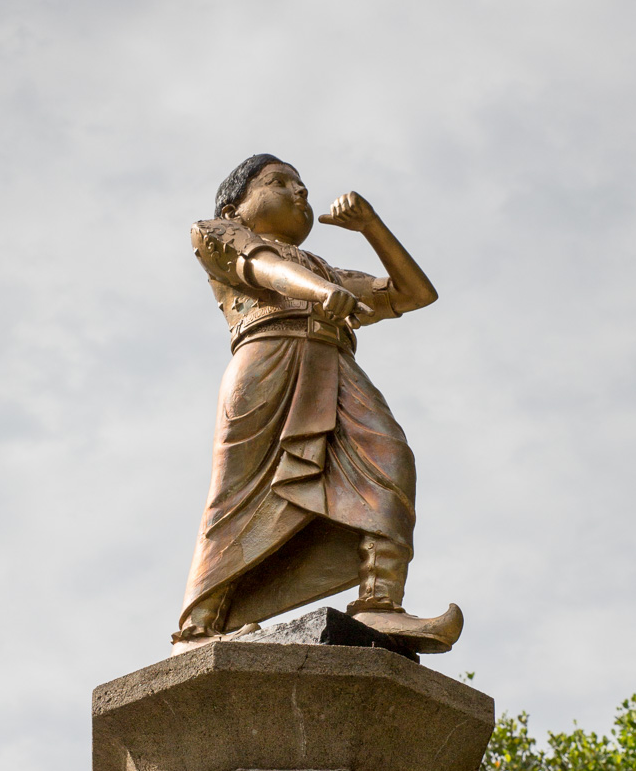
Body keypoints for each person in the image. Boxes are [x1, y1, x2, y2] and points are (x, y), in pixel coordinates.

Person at [173, 154, 460, 650]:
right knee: (238, 495)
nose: (298, 192)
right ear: (234, 206)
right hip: (268, 360)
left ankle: (379, 603)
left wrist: (370, 226)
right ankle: (199, 627)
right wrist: (322, 292)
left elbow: (414, 294)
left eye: (302, 184)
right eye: (278, 183)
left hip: (334, 366)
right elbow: (264, 269)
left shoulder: (323, 267)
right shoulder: (215, 232)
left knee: (389, 457)